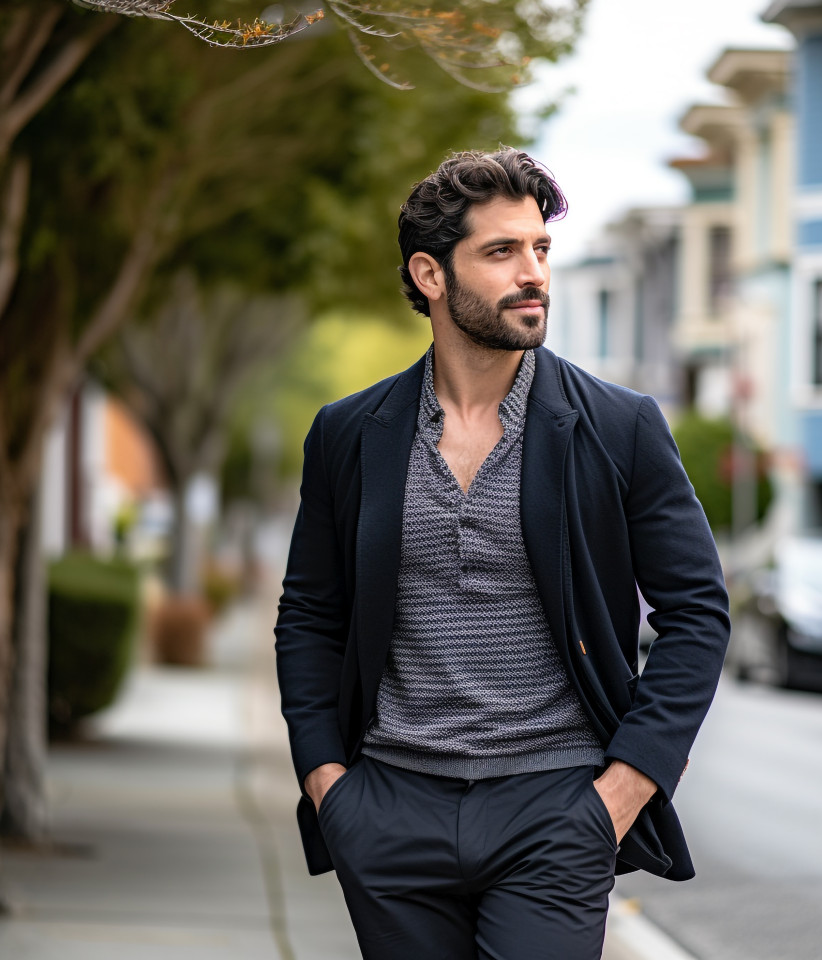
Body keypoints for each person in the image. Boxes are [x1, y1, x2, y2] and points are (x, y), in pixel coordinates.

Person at [274, 148, 730, 960]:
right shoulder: (349, 434)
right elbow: (310, 613)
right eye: (502, 251)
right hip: (390, 810)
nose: (534, 274)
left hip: (556, 812)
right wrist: (328, 784)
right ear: (430, 274)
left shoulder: (618, 427)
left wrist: (627, 786)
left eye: (541, 248)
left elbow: (697, 612)